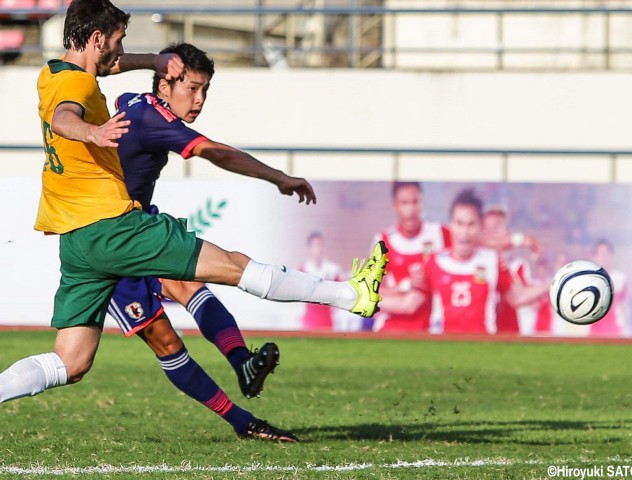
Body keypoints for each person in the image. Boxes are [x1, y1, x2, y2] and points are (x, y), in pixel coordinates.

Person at [0, 0, 388, 443]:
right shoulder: (91, 97)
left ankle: (242, 372)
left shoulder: (52, 73)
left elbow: (90, 80)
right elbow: (67, 116)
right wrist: (92, 132)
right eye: (119, 41)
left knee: (70, 362)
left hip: (76, 239)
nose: (121, 50)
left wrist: (152, 60)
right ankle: (350, 295)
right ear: (96, 39)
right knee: (234, 268)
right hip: (116, 228)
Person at [106, 42, 318, 440]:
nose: (200, 99)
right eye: (193, 88)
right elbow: (218, 153)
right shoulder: (153, 117)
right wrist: (279, 177)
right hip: (110, 244)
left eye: (206, 90)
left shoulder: (133, 101)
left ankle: (243, 365)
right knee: (160, 340)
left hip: (138, 228)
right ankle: (242, 421)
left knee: (190, 284)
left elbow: (110, 73)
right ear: (166, 84)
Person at [423, 189, 548, 334]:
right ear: (451, 224)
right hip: (443, 346)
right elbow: (411, 301)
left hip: (483, 345)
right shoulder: (434, 261)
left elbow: (516, 297)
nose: (464, 231)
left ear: (479, 227)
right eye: (459, 224)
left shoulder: (494, 261)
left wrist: (553, 285)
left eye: (471, 225)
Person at [372, 182, 450, 332]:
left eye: (415, 202)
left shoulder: (439, 233)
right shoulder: (383, 241)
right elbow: (374, 291)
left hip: (430, 327)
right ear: (395, 205)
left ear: (422, 203)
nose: (411, 209)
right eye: (404, 203)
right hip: (391, 327)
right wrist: (404, 287)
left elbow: (471, 241)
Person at [481, 205, 542, 335]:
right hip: (482, 333)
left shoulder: (517, 265)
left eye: (497, 227)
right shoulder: (473, 263)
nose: (493, 233)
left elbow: (521, 298)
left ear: (506, 231)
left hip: (510, 334)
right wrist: (521, 240)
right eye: (487, 228)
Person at [298, 231, 345, 331]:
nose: (317, 249)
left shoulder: (333, 270)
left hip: (327, 318)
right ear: (309, 248)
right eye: (314, 245)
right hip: (309, 318)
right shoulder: (303, 269)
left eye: (320, 245)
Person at [589, 239, 629, 337]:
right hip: (594, 330)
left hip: (615, 329)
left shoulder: (620, 278)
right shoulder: (589, 279)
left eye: (606, 253)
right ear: (595, 256)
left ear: (611, 255)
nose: (603, 257)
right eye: (600, 253)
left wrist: (626, 327)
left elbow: (625, 305)